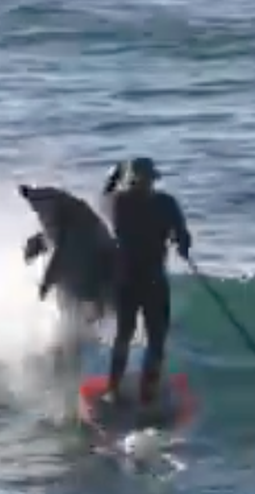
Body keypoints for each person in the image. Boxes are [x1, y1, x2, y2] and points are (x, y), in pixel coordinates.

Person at [103, 157, 193, 406]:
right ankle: (140, 392)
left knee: (138, 335)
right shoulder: (164, 203)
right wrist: (181, 243)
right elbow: (182, 235)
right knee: (146, 337)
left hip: (131, 277)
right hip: (146, 277)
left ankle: (120, 390)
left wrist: (114, 176)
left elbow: (105, 196)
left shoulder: (119, 201)